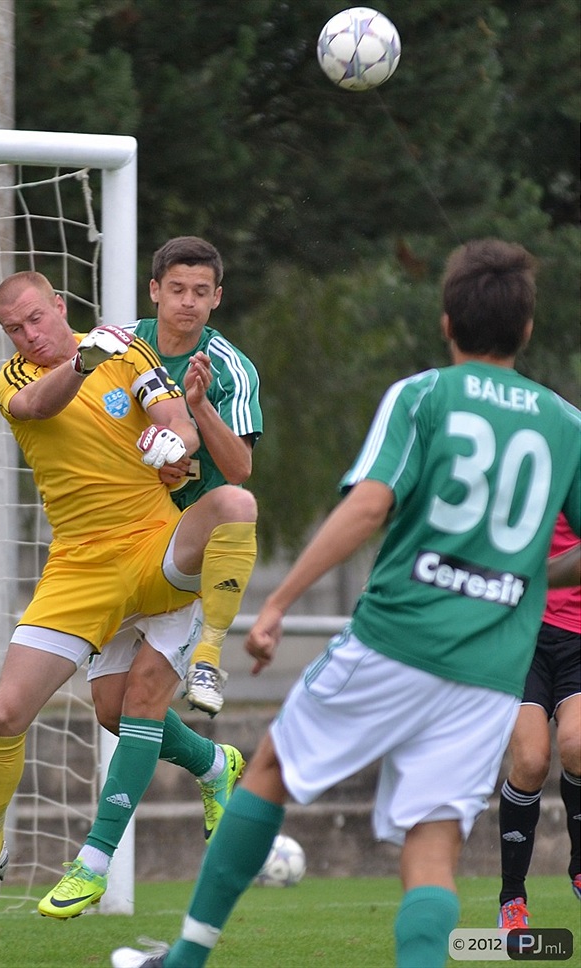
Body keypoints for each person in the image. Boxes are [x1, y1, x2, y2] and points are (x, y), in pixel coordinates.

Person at [110, 238, 581, 968]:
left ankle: (185, 960)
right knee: (432, 848)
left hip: (398, 635)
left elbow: (368, 507)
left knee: (270, 771)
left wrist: (278, 602)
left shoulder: (423, 395)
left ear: (447, 323)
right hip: (491, 668)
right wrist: (526, 579)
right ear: (525, 329)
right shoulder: (564, 423)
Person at [0, 270, 258, 919]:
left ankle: (94, 861)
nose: (29, 334)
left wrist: (173, 439)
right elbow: (38, 407)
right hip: (79, 566)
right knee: (9, 715)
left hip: (153, 545)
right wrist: (83, 362)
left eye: (36, 318)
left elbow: (180, 424)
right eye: (14, 329)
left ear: (59, 306)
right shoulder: (15, 380)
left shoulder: (126, 351)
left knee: (234, 503)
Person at [89, 235, 262, 731]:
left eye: (200, 291)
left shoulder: (229, 367)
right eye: (178, 289)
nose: (188, 301)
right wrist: (147, 465)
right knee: (111, 711)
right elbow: (86, 433)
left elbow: (239, 469)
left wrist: (200, 407)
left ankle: (208, 653)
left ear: (217, 298)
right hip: (124, 536)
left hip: (188, 543)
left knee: (144, 694)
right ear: (154, 291)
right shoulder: (115, 348)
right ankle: (215, 763)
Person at [497, 513, 581, 930]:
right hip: (523, 634)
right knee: (530, 762)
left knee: (578, 746)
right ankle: (512, 897)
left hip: (578, 638)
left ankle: (579, 865)